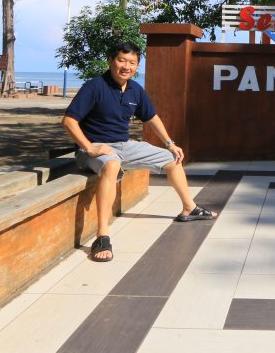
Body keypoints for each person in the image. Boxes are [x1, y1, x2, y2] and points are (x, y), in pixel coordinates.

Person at [62, 42, 216, 262]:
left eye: (132, 62)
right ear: (110, 61)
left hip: (124, 145)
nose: (126, 66)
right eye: (122, 60)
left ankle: (189, 208)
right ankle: (102, 236)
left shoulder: (135, 89)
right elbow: (69, 121)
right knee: (112, 164)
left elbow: (151, 117)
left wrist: (170, 142)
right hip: (93, 150)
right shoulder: (94, 86)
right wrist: (89, 147)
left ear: (137, 65)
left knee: (173, 158)